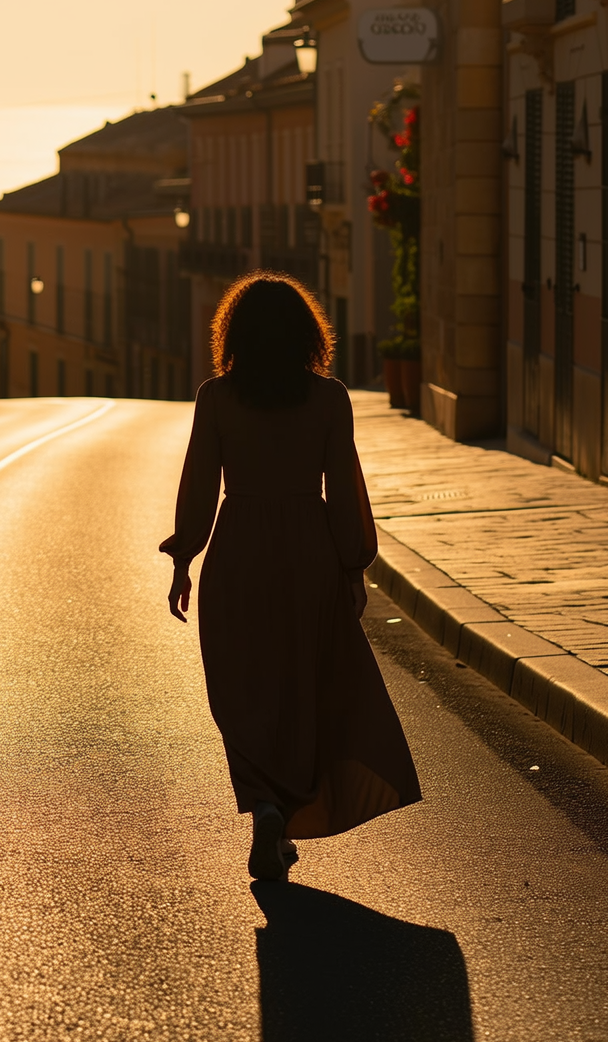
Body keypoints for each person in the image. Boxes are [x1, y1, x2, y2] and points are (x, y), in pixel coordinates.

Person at [162, 273, 421, 882]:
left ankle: (267, 806)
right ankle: (285, 806)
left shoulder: (216, 399)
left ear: (237, 335)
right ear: (307, 334)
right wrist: (353, 565)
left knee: (242, 687)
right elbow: (344, 487)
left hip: (240, 550)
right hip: (309, 551)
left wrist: (184, 558)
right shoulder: (330, 400)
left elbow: (199, 484)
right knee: (305, 685)